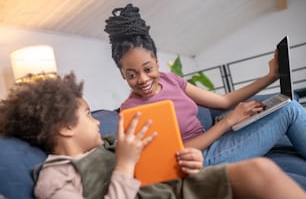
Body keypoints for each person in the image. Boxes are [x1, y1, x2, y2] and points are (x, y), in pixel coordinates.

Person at [1, 73, 306, 198]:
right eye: (89, 115)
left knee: (260, 170)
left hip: (178, 189)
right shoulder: (54, 178)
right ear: (65, 128)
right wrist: (124, 165)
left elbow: (162, 165)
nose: (97, 123)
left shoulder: (110, 144)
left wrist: (189, 160)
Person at [104, 3, 306, 166]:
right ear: (122, 74)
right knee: (290, 111)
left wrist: (270, 77)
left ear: (156, 61)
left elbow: (223, 100)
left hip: (215, 142)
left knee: (286, 105)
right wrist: (229, 121)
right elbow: (176, 154)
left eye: (148, 69)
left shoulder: (170, 79)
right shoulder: (132, 110)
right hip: (201, 160)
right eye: (132, 75)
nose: (143, 80)